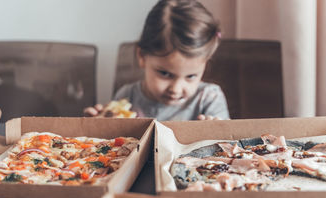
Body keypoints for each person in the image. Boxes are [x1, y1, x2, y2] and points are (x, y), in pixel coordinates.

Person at [84, 0, 230, 121]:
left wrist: (214, 133)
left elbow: (227, 147)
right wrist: (98, 127)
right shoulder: (127, 96)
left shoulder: (209, 98)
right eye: (165, 74)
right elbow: (115, 146)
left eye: (191, 76)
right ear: (141, 57)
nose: (176, 89)